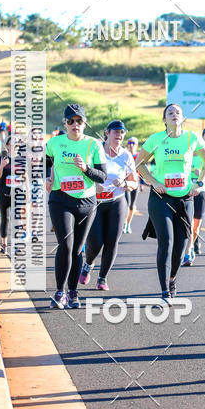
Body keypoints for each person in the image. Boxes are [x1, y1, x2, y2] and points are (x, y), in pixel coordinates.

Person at [136, 104, 205, 301]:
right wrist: (153, 182)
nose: (174, 115)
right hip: (161, 198)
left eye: (178, 112)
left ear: (183, 118)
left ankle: (172, 279)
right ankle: (164, 291)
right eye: (170, 112)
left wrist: (200, 183)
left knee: (181, 246)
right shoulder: (156, 139)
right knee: (166, 242)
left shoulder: (192, 138)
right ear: (164, 120)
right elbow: (139, 163)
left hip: (185, 198)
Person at [45, 104, 107, 310]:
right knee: (66, 245)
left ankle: (73, 292)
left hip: (86, 203)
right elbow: (43, 163)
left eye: (79, 121)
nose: (75, 124)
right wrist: (47, 177)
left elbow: (102, 176)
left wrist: (85, 168)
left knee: (78, 249)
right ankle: (59, 292)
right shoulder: (55, 143)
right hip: (60, 199)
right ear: (65, 124)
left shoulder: (94, 145)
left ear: (84, 123)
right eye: (70, 121)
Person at [79, 120, 137, 290]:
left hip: (116, 202)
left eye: (122, 133)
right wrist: (93, 185)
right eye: (116, 132)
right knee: (96, 242)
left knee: (112, 242)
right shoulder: (96, 150)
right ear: (107, 133)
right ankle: (88, 264)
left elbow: (134, 183)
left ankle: (102, 278)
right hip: (95, 202)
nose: (119, 135)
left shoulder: (126, 156)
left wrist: (125, 184)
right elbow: (83, 172)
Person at [183, 149, 205, 266]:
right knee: (189, 223)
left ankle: (191, 246)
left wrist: (202, 174)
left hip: (201, 193)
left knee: (195, 226)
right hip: (186, 192)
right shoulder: (184, 155)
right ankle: (187, 252)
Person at [123, 135, 141, 234]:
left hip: (135, 183)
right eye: (129, 143)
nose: (131, 145)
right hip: (126, 183)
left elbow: (142, 169)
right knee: (127, 203)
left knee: (132, 205)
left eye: (133, 143)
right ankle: (124, 223)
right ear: (127, 144)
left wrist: (141, 183)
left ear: (137, 145)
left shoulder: (138, 156)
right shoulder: (124, 155)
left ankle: (128, 224)